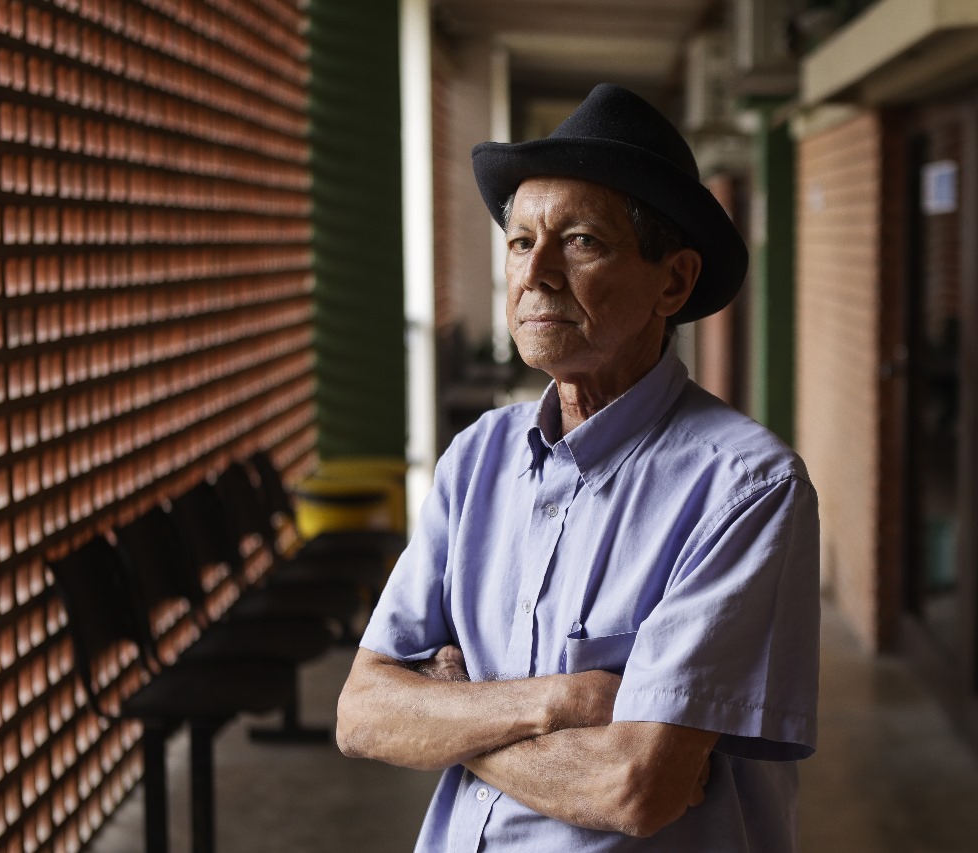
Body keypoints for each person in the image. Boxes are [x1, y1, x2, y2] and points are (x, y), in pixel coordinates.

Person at [337, 83, 819, 851]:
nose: (537, 273)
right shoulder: (476, 459)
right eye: (521, 242)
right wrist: (567, 699)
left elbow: (634, 787)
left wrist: (453, 713)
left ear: (674, 281)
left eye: (582, 241)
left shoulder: (746, 488)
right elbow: (363, 712)